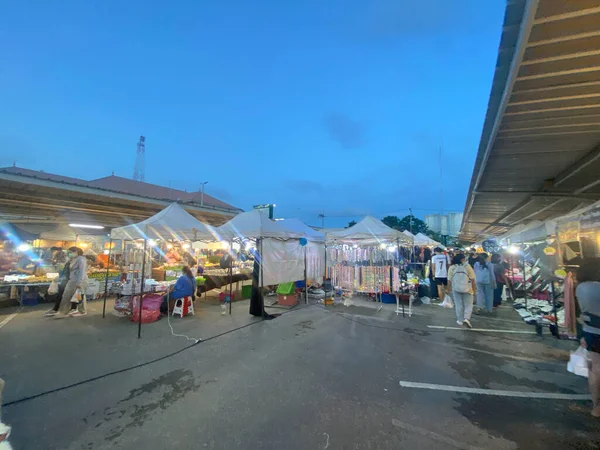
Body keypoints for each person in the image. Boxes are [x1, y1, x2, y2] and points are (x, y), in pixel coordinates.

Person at [575, 258, 600, 417]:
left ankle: (596, 405)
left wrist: (581, 335)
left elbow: (581, 313)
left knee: (595, 368)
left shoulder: (580, 288)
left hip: (590, 331)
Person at [57, 247, 88, 317]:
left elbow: (82, 272)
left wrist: (79, 282)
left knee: (79, 296)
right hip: (72, 280)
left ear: (76, 252)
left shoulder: (81, 260)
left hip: (80, 280)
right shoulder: (72, 259)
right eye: (68, 252)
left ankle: (82, 311)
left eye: (70, 252)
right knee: (66, 295)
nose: (69, 254)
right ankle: (63, 311)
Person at [448, 254, 476, 328]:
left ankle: (460, 320)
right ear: (462, 259)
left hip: (456, 288)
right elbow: (473, 279)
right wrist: (474, 290)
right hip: (468, 289)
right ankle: (466, 319)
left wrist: (449, 289)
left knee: (458, 304)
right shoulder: (468, 267)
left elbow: (449, 280)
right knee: (468, 304)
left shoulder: (452, 267)